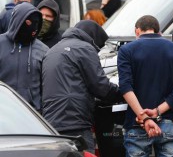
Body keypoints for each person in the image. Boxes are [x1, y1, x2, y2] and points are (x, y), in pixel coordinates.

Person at [42, 20, 122, 154]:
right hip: (75, 119)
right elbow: (100, 87)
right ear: (94, 39)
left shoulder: (52, 50)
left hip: (52, 120)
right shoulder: (84, 48)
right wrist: (122, 93)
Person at [118, 15, 173, 156]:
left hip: (137, 123)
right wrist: (157, 111)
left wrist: (143, 117)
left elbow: (125, 87)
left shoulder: (126, 51)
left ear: (137, 31)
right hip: (169, 121)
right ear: (159, 32)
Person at [0, 2, 48, 112]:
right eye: (28, 22)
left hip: (30, 114)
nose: (33, 27)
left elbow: (46, 87)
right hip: (2, 112)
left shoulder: (43, 51)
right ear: (18, 21)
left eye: (37, 23)